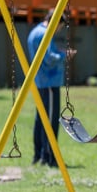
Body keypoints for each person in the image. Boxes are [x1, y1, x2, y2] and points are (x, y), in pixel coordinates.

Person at [27, 9, 75, 167]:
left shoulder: (35, 32)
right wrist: (65, 55)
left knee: (40, 119)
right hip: (50, 82)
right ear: (57, 22)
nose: (59, 30)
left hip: (39, 81)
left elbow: (44, 54)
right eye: (60, 26)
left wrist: (58, 52)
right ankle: (49, 157)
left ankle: (38, 154)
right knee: (51, 121)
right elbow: (49, 59)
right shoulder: (45, 34)